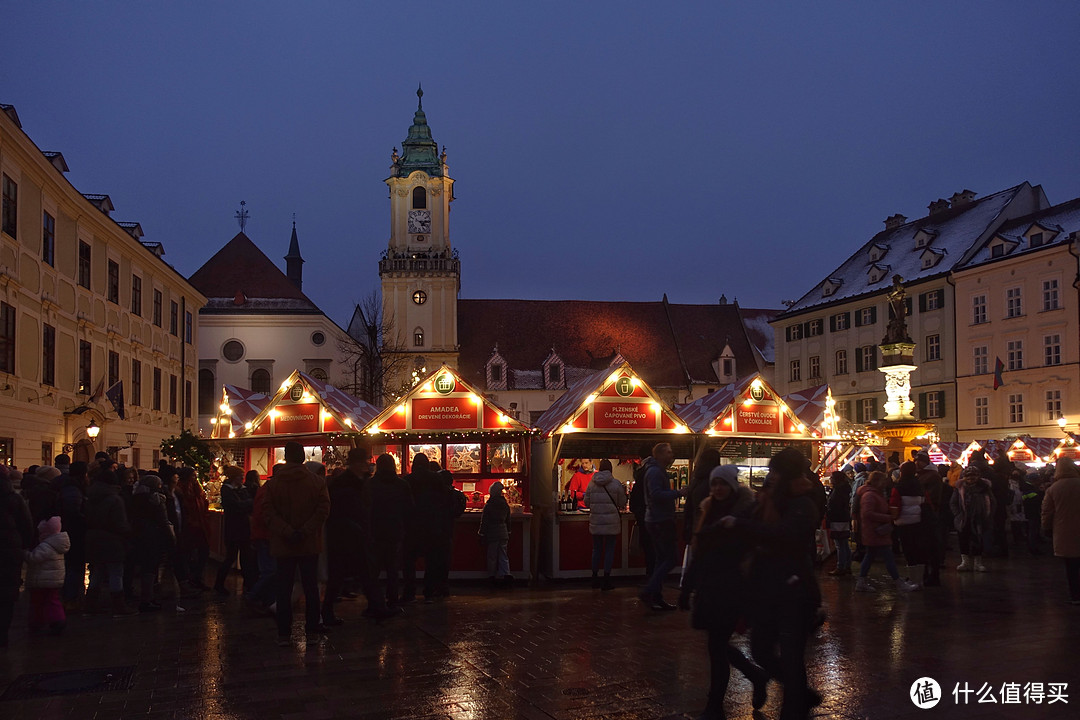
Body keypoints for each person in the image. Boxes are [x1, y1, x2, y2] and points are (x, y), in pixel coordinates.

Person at [725, 448, 822, 720]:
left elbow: (785, 536)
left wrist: (742, 527)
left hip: (794, 588)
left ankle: (794, 709)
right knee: (760, 649)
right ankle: (801, 694)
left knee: (791, 657)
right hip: (765, 587)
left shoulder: (803, 502)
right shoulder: (768, 499)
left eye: (775, 471)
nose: (772, 476)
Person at [679, 465, 768, 718]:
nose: (717, 488)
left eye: (722, 484)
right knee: (716, 644)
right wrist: (687, 587)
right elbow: (700, 552)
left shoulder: (744, 512)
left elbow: (749, 549)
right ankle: (754, 675)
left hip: (732, 586)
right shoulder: (708, 509)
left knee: (716, 645)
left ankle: (715, 705)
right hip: (710, 586)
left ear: (732, 485)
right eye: (714, 484)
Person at [260, 441, 331, 645]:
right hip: (308, 543)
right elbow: (323, 510)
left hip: (283, 544)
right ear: (303, 457)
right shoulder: (317, 483)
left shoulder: (273, 484)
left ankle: (284, 630)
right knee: (310, 586)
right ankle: (312, 626)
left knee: (284, 587)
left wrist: (286, 531)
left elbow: (268, 512)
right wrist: (306, 530)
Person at [322, 447, 371, 625]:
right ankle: (327, 612)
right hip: (345, 536)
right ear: (357, 463)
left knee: (354, 573)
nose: (367, 464)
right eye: (365, 461)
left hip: (348, 534)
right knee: (345, 574)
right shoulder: (348, 483)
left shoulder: (347, 482)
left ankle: (375, 606)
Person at [639, 443, 687, 611]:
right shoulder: (654, 472)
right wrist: (679, 493)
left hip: (657, 519)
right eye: (668, 452)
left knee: (661, 559)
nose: (671, 455)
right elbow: (656, 495)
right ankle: (649, 591)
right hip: (660, 520)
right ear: (659, 455)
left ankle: (656, 596)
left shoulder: (655, 470)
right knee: (671, 558)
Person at [855, 471, 920, 593]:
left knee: (870, 556)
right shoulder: (870, 495)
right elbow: (867, 513)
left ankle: (862, 581)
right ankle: (898, 582)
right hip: (876, 531)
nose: (885, 483)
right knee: (887, 556)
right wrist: (888, 517)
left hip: (875, 531)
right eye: (883, 480)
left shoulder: (873, 494)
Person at [363, 453, 413, 610]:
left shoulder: (370, 485)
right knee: (393, 570)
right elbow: (409, 509)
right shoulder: (402, 485)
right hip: (395, 532)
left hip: (375, 532)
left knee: (373, 571)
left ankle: (374, 603)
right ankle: (392, 601)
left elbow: (364, 509)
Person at [84, 470, 137, 616]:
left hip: (93, 537)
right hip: (112, 540)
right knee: (116, 572)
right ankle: (118, 606)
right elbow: (119, 523)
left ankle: (90, 604)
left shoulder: (90, 496)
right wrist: (129, 533)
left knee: (97, 572)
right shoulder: (114, 499)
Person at [1, 467, 35, 647]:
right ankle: (3, 633)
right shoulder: (14, 498)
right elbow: (26, 524)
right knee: (7, 592)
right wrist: (23, 545)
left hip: (10, 547)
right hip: (9, 550)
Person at [129, 475, 173, 613]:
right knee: (151, 568)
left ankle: (147, 597)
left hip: (139, 535)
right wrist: (171, 538)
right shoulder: (157, 500)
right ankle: (147, 599)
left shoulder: (135, 497)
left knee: (145, 568)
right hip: (153, 536)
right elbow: (163, 520)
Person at [1041, 458, 1080, 604]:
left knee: (1071, 567)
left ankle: (1075, 595)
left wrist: (1046, 528)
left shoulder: (1054, 488)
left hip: (1064, 531)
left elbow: (1047, 512)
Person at [584, 459, 627, 590]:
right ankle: (606, 579)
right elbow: (622, 502)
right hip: (611, 523)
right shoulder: (616, 484)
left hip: (596, 522)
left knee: (596, 549)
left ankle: (594, 577)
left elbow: (586, 503)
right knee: (609, 550)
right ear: (610, 469)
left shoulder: (592, 483)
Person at [24, 516, 70, 634]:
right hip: (54, 580)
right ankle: (58, 619)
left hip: (42, 580)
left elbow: (34, 558)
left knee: (38, 602)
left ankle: (38, 622)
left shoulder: (46, 546)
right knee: (53, 600)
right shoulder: (57, 545)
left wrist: (25, 553)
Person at [426, 469, 466, 600]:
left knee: (433, 561)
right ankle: (443, 587)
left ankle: (433, 588)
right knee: (444, 561)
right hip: (447, 531)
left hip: (433, 532)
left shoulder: (433, 495)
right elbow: (458, 511)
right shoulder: (454, 495)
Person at [402, 454, 437, 603]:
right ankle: (428, 593)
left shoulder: (407, 481)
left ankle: (409, 593)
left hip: (411, 526)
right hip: (430, 526)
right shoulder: (435, 479)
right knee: (431, 561)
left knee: (409, 562)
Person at [215, 466, 254, 596]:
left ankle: (247, 583)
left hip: (239, 527)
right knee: (232, 556)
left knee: (244, 557)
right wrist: (246, 503)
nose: (242, 479)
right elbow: (239, 506)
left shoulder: (236, 490)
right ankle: (219, 583)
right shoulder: (228, 490)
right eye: (240, 477)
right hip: (234, 528)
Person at [890, 462, 926, 590]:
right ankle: (919, 579)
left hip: (903, 522)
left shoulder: (899, 487)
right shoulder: (918, 484)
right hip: (918, 521)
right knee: (918, 550)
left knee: (908, 550)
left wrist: (893, 518)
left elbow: (894, 505)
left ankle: (913, 579)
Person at [950, 466, 994, 573]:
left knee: (978, 540)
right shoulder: (960, 488)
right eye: (968, 476)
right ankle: (965, 562)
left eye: (973, 476)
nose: (970, 478)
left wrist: (989, 514)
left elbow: (992, 502)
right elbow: (953, 502)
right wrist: (958, 515)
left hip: (980, 518)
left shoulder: (984, 488)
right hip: (964, 518)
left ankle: (977, 562)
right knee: (963, 539)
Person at [59, 461, 88, 610]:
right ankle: (70, 599)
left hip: (70, 532)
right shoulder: (73, 489)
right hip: (73, 533)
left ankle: (73, 597)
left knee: (73, 566)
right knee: (74, 567)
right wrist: (86, 519)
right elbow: (73, 513)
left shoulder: (69, 486)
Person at [176, 467, 210, 590]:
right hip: (191, 527)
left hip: (198, 525)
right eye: (193, 476)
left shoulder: (195, 490)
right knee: (193, 554)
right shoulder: (183, 490)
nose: (195, 478)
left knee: (201, 553)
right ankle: (193, 579)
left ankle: (196, 578)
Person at [914, 453, 943, 586]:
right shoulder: (920, 474)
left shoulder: (931, 476)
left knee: (930, 545)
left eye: (919, 461)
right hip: (922, 512)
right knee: (922, 546)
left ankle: (933, 574)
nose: (917, 463)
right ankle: (925, 573)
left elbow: (933, 495)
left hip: (929, 512)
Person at [684, 449, 721, 546]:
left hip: (695, 527)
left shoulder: (696, 479)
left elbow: (688, 507)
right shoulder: (714, 483)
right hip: (709, 532)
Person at [479, 481, 513, 586]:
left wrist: (481, 533)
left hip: (492, 532)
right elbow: (508, 519)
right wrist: (509, 530)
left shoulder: (489, 505)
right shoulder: (505, 505)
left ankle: (492, 576)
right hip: (503, 532)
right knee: (503, 554)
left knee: (492, 555)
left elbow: (484, 521)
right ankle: (506, 574)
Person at [628, 453, 655, 578]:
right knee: (656, 550)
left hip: (643, 516)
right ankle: (653, 578)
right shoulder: (656, 471)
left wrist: (637, 512)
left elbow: (633, 499)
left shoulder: (641, 473)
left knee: (648, 548)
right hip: (654, 518)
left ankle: (651, 576)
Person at [826, 471, 852, 576]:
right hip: (843, 519)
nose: (830, 479)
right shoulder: (844, 489)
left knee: (840, 545)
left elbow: (835, 506)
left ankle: (841, 567)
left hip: (838, 520)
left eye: (832, 477)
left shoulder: (838, 491)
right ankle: (847, 565)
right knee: (844, 544)